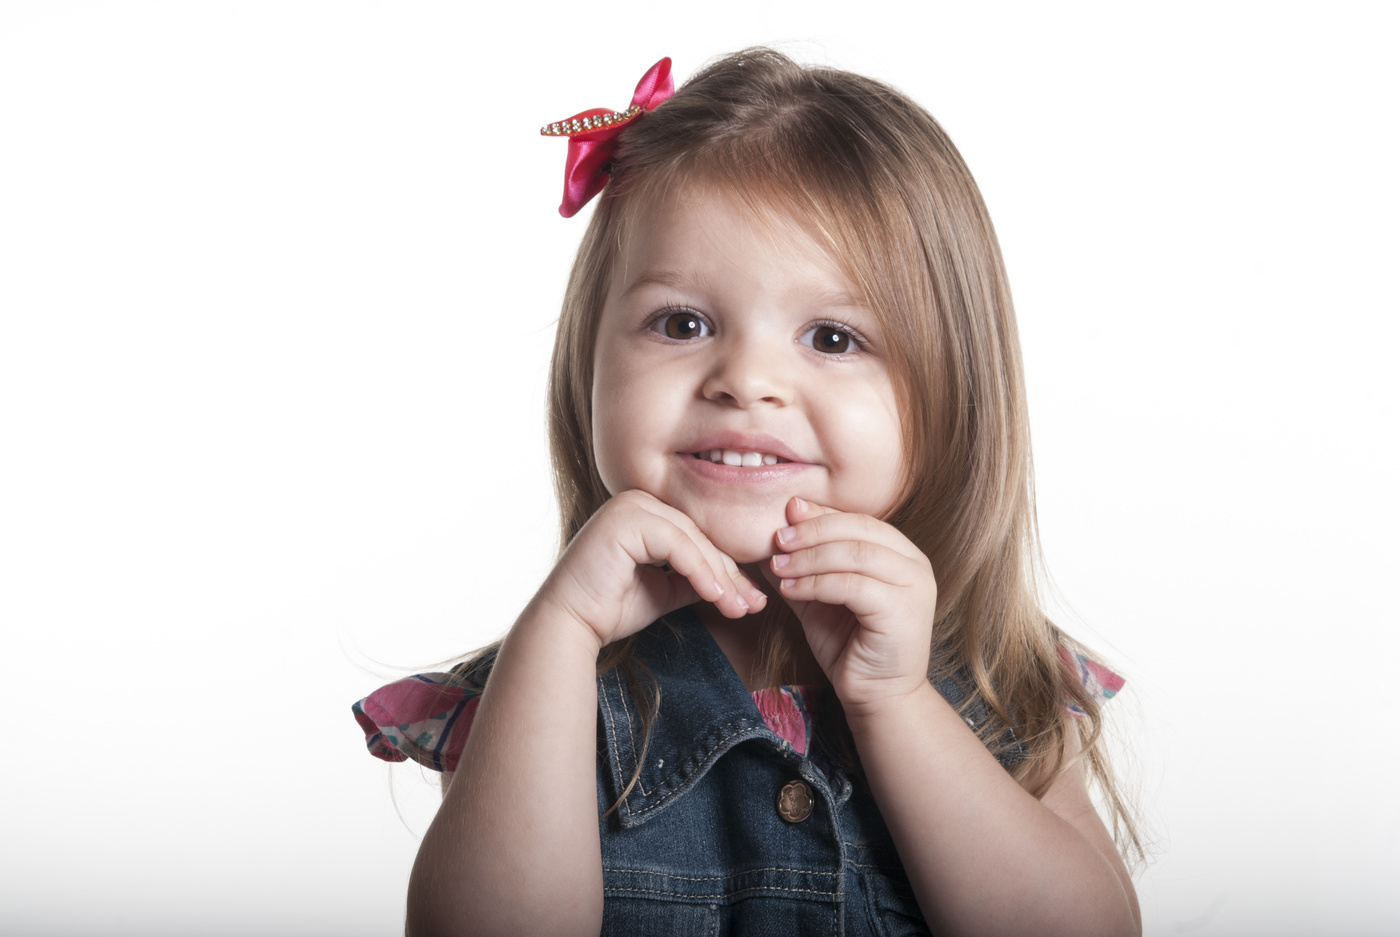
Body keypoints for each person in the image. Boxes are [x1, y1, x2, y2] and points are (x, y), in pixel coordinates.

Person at [353, 49, 1143, 937]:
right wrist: (560, 634)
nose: (747, 379)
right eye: (682, 322)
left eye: (832, 337)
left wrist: (896, 703)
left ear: (952, 393)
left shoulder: (1000, 680)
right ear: (588, 365)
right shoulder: (547, 682)